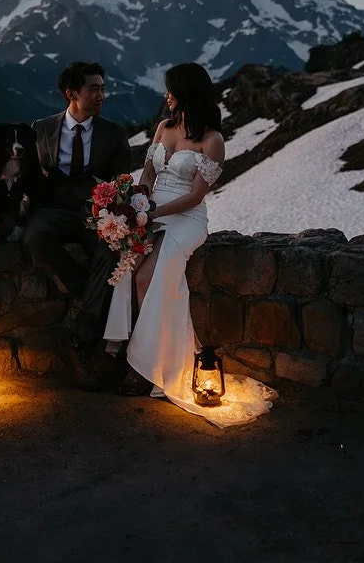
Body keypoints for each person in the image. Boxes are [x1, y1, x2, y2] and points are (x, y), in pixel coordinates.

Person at [103, 62, 276, 428]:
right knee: (127, 266)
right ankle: (124, 349)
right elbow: (148, 175)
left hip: (185, 217)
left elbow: (197, 196)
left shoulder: (213, 141)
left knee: (148, 276)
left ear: (186, 94)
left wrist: (154, 212)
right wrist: (136, 206)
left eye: (171, 90)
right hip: (152, 209)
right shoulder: (163, 128)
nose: (166, 97)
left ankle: (147, 366)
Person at [23, 61, 132, 389]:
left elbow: (123, 182)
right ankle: (91, 298)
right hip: (52, 209)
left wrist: (105, 205)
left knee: (111, 251)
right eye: (93, 89)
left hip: (94, 214)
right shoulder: (40, 128)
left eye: (102, 88)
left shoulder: (114, 133)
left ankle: (82, 335)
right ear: (72, 94)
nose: (101, 95)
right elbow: (28, 176)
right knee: (34, 236)